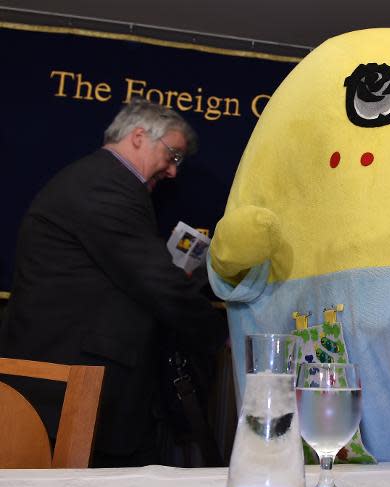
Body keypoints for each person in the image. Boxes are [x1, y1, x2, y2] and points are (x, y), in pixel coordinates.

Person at [0, 99, 226, 467]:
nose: (172, 172)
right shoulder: (106, 185)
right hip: (69, 395)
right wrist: (218, 333)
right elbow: (158, 285)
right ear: (138, 136)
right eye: (172, 155)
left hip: (89, 393)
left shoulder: (99, 181)